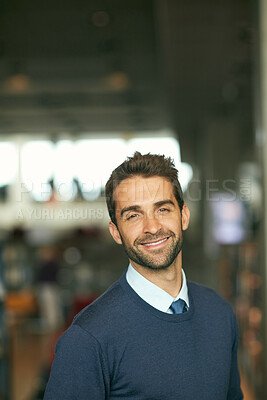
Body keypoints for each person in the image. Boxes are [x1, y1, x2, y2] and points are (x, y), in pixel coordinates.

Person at [44, 152, 243, 400]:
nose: (152, 227)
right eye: (134, 215)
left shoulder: (220, 313)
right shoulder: (87, 339)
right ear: (116, 232)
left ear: (184, 216)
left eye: (162, 209)